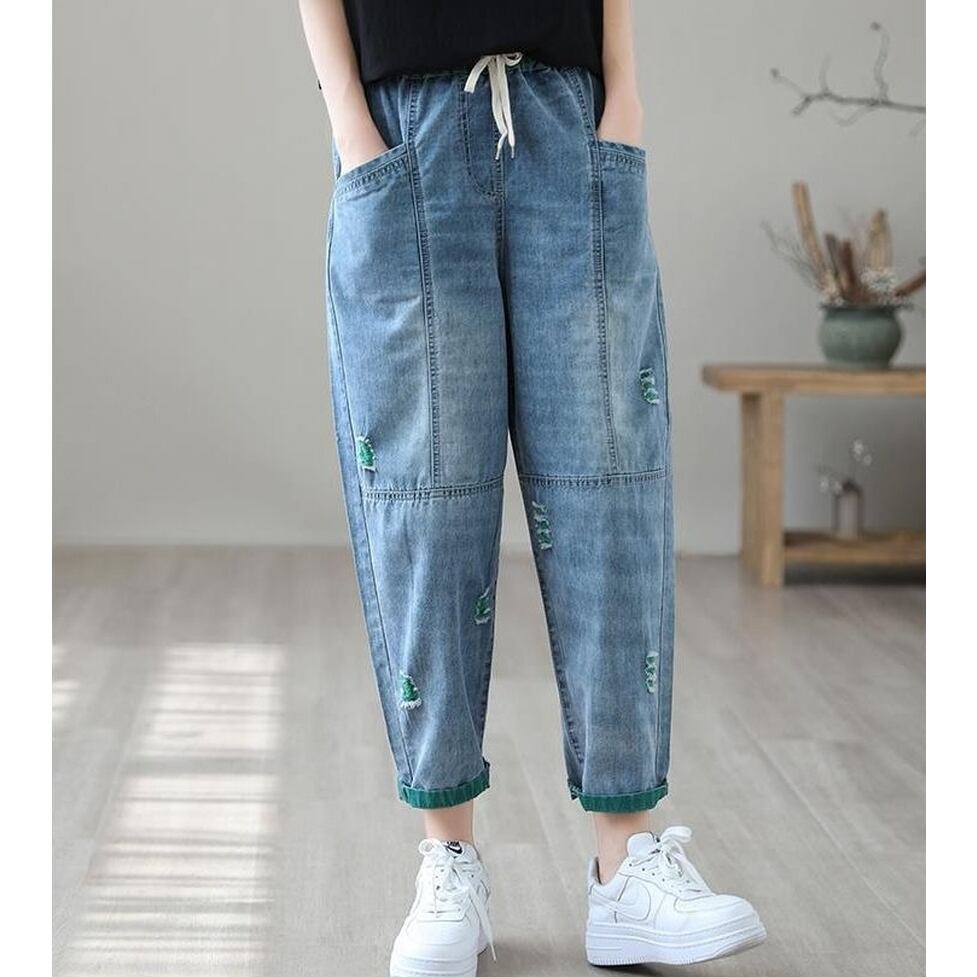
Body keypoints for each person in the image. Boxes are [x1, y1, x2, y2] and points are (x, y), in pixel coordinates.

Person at [298, 2, 766, 973]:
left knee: (609, 491)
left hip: (567, 118)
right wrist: (349, 120)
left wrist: (623, 96)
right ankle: (447, 860)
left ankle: (625, 866)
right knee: (424, 504)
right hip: (404, 130)